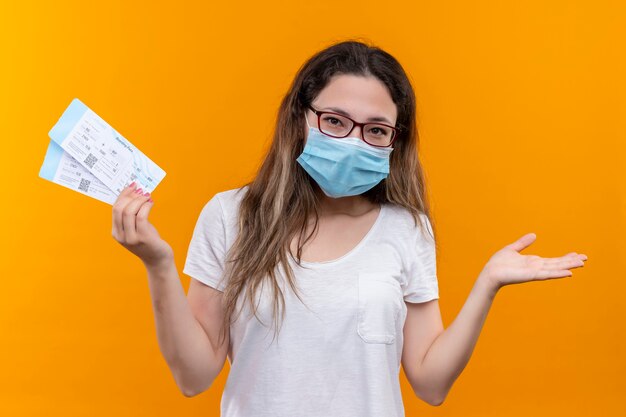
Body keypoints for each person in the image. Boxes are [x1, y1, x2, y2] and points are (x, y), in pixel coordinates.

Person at [111, 40, 588, 417]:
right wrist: (159, 264)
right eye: (335, 121)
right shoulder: (231, 215)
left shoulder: (407, 229)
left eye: (376, 130)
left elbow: (431, 384)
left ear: (394, 142)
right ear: (300, 118)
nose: (354, 141)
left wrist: (487, 284)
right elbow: (193, 377)